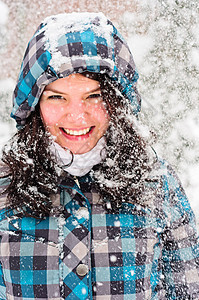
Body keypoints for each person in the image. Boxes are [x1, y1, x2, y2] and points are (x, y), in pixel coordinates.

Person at [0, 12, 199, 300]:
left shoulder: (156, 185)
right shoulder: (5, 187)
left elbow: (188, 289)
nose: (77, 115)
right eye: (57, 97)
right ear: (33, 105)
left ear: (117, 101)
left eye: (93, 96)